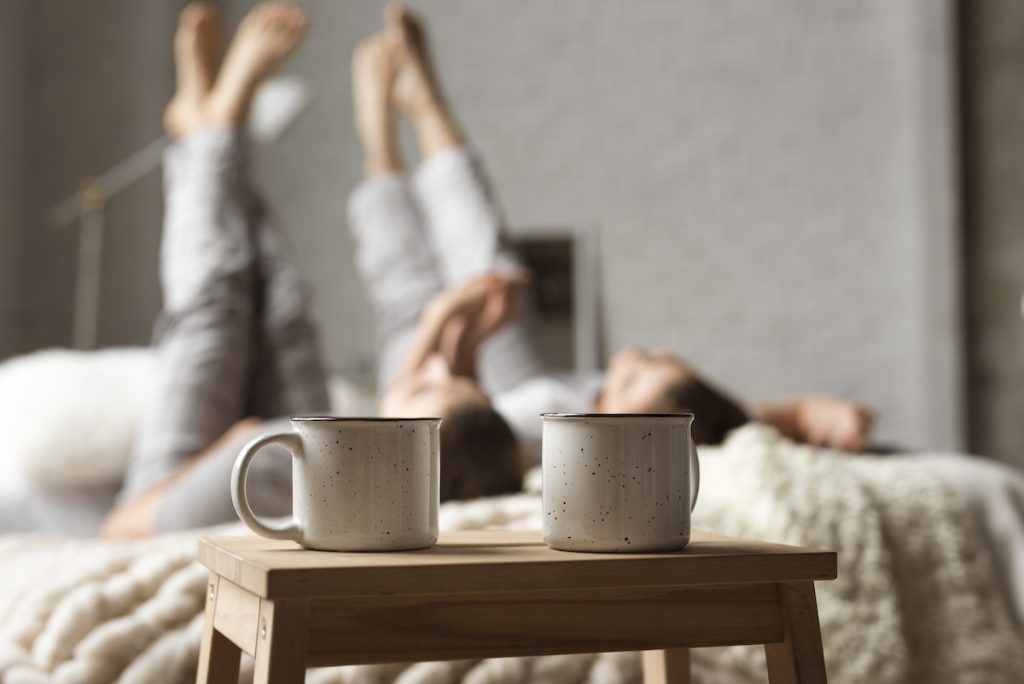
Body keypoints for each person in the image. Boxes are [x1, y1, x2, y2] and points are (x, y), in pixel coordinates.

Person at [345, 6, 876, 470]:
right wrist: (807, 413)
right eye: (649, 355)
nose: (628, 358)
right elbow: (720, 427)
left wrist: (446, 322)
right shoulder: (606, 407)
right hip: (500, 381)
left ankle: (381, 136)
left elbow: (429, 413)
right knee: (482, 268)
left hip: (450, 389)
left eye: (633, 377)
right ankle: (424, 106)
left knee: (410, 292)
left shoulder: (560, 438)